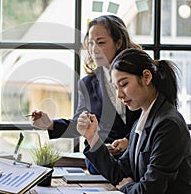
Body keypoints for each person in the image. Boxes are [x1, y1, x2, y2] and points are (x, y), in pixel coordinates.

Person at [31, 15, 142, 173]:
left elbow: (152, 117)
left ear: (118, 43)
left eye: (101, 42)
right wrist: (50, 124)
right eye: (90, 43)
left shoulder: (142, 77)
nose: (94, 49)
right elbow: (80, 125)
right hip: (101, 162)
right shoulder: (87, 84)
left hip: (137, 158)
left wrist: (130, 141)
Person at [77, 48, 191, 193]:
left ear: (146, 77)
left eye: (124, 84)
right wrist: (92, 137)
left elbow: (149, 190)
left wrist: (126, 187)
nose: (119, 95)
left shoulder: (168, 125)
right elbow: (120, 173)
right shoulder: (142, 120)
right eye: (116, 87)